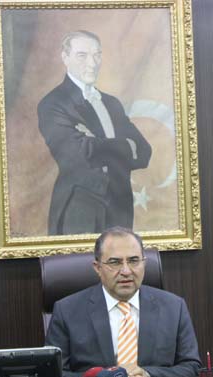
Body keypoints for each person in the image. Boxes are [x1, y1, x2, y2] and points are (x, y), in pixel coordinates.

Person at [45, 226, 201, 377]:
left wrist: (147, 373)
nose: (126, 271)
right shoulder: (67, 311)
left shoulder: (174, 307)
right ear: (97, 268)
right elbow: (54, 375)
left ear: (144, 263)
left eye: (133, 261)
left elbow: (192, 367)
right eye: (115, 262)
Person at [38, 31, 152, 235]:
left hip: (120, 206)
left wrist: (95, 143)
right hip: (79, 208)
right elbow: (77, 154)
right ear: (65, 57)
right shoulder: (53, 103)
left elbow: (144, 152)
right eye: (82, 55)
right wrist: (126, 145)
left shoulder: (112, 103)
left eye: (97, 55)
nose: (92, 63)